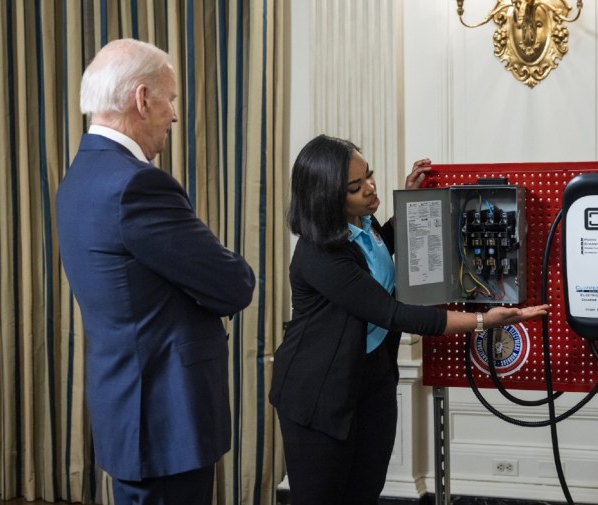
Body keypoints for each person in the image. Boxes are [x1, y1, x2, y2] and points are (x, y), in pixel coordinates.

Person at [269, 134, 548, 504]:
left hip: (370, 379)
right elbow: (393, 313)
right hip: (319, 392)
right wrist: (484, 322)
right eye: (356, 187)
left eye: (369, 176)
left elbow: (376, 254)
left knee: (365, 491)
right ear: (327, 198)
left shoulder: (363, 227)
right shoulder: (319, 254)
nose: (371, 188)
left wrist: (408, 201)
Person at [55, 39, 255, 505]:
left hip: (128, 410)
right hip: (166, 418)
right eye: (171, 99)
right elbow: (234, 285)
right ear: (142, 99)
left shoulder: (79, 177)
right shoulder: (138, 184)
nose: (175, 115)